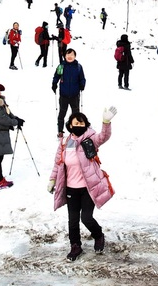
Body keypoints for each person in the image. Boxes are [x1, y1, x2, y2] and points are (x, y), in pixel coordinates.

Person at [48, 107, 117, 261]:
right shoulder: (65, 143)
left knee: (86, 217)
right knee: (72, 220)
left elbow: (104, 137)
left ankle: (98, 235)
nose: (78, 125)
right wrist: (52, 179)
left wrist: (106, 122)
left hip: (87, 188)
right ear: (70, 126)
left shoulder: (90, 138)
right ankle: (75, 246)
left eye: (81, 122)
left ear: (85, 124)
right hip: (71, 188)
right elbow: (58, 163)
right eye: (75, 123)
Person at [52, 48, 86, 137]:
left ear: (75, 56)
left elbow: (82, 78)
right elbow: (56, 76)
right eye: (68, 55)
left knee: (76, 114)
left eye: (72, 55)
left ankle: (76, 131)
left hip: (75, 94)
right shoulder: (61, 66)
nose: (70, 57)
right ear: (65, 56)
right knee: (62, 113)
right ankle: (60, 131)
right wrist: (54, 84)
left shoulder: (78, 67)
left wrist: (82, 84)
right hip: (64, 95)